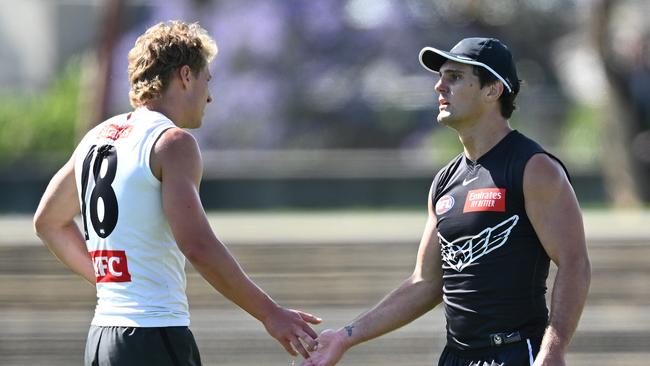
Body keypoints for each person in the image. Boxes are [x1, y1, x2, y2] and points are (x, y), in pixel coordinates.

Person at [33, 20, 320, 366]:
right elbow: (196, 245)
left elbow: (48, 221)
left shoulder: (97, 137)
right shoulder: (173, 143)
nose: (209, 95)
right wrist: (270, 314)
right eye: (206, 80)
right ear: (185, 76)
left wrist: (109, 281)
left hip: (101, 337)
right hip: (153, 336)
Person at [302, 38, 591, 366]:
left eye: (454, 77)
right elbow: (425, 283)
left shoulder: (533, 168)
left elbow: (574, 262)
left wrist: (553, 348)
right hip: (455, 357)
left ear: (492, 90)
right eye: (441, 77)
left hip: (515, 353)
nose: (439, 86)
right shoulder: (444, 181)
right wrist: (344, 336)